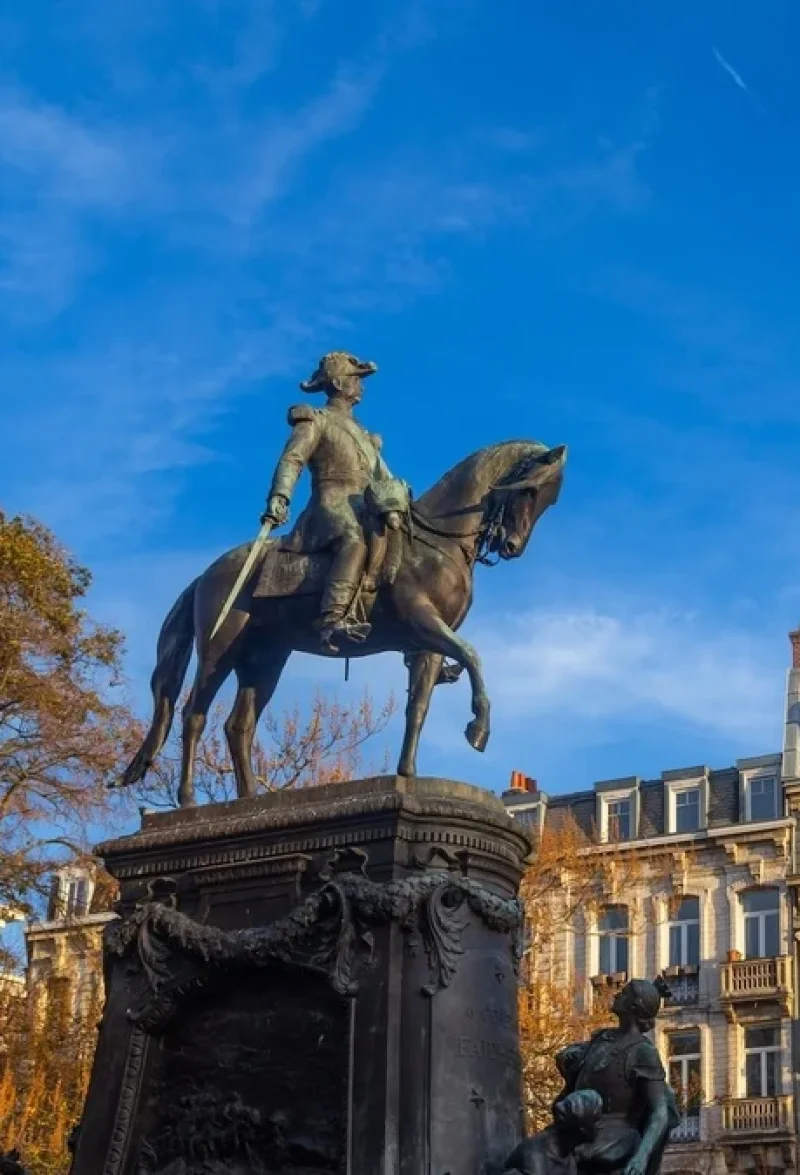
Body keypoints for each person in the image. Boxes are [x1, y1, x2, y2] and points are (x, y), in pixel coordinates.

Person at [264, 351, 399, 651]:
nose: (360, 386)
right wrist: (280, 495)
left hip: (366, 505)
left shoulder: (366, 436)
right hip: (331, 501)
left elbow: (384, 478)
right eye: (355, 379)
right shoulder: (316, 420)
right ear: (338, 382)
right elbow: (293, 459)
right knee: (353, 541)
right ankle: (332, 619)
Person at [552, 979, 679, 1175]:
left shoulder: (643, 1052)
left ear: (635, 1006)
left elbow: (660, 1112)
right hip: (576, 1128)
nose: (617, 994)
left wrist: (641, 1158)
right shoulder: (603, 1037)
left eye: (625, 992)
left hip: (614, 1136)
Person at [504, 1090, 604, 1175]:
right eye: (596, 1120)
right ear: (581, 1128)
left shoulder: (568, 1154)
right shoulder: (535, 1154)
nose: (600, 1126)